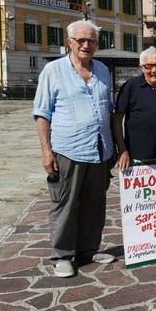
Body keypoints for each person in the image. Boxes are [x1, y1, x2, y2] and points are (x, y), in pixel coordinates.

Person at [33, 20, 115, 278]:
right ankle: (62, 256)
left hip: (100, 150)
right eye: (80, 40)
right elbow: (42, 113)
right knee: (65, 205)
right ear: (69, 42)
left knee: (95, 204)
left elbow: (109, 110)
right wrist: (47, 152)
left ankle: (88, 250)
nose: (86, 45)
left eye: (91, 40)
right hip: (68, 150)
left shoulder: (102, 69)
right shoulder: (53, 70)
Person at [113, 47, 156, 172]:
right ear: (141, 68)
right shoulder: (130, 87)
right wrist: (122, 150)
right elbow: (117, 119)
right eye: (148, 66)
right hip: (137, 158)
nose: (154, 70)